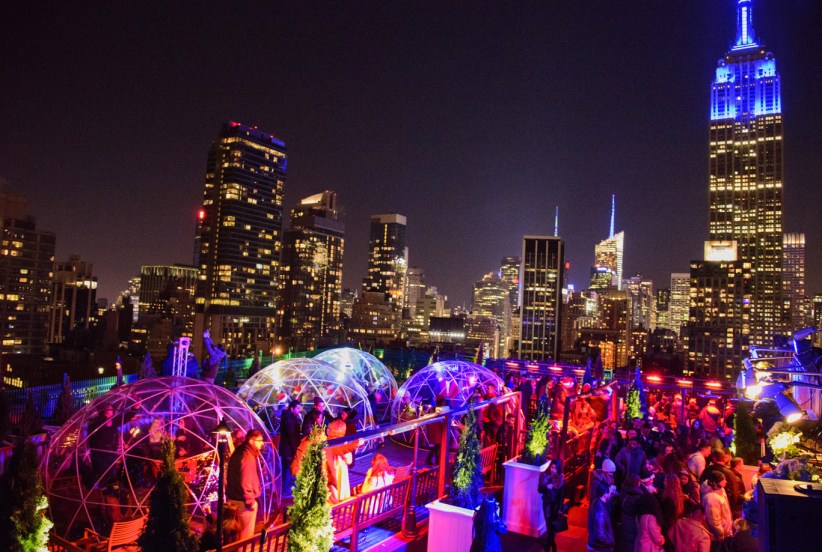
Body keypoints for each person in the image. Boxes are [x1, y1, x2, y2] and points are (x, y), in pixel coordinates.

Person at [226, 429, 265, 541]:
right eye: (259, 440)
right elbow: (246, 480)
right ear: (251, 441)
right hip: (243, 502)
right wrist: (250, 501)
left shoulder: (240, 451)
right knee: (245, 538)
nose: (262, 443)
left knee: (237, 538)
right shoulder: (247, 456)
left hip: (235, 499)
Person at [539, 459, 565, 552]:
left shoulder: (560, 478)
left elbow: (562, 495)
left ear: (558, 469)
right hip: (546, 503)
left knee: (552, 525)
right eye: (552, 467)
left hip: (555, 505)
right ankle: (552, 544)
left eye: (555, 468)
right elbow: (539, 490)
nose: (553, 470)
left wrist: (560, 508)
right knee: (548, 524)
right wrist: (546, 486)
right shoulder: (544, 476)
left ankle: (549, 545)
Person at [701, 471, 733, 545]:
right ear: (716, 482)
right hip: (718, 537)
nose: (726, 481)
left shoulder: (721, 491)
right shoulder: (711, 498)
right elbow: (713, 519)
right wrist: (720, 533)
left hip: (726, 532)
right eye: (723, 479)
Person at [278, 400, 302, 492]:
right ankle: (285, 489)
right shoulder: (290, 419)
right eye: (298, 408)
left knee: (286, 469)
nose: (299, 410)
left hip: (286, 448)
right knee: (287, 469)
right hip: (288, 449)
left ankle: (285, 487)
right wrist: (295, 449)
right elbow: (292, 436)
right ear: (292, 408)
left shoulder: (289, 417)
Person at [587, 481, 615, 551]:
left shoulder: (595, 502)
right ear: (605, 495)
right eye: (609, 493)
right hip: (599, 547)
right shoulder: (600, 511)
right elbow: (600, 534)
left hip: (594, 543)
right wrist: (609, 540)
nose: (610, 495)